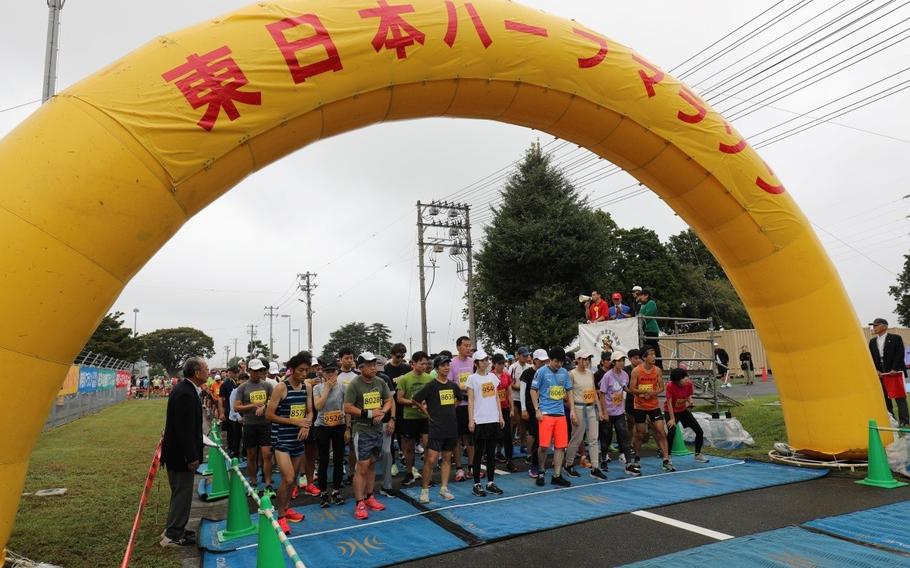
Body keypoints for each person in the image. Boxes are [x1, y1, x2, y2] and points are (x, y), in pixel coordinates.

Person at [160, 357, 206, 547]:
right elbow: (184, 429)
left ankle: (176, 528)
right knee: (182, 494)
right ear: (196, 372)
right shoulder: (185, 393)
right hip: (181, 456)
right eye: (206, 369)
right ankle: (172, 535)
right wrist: (192, 456)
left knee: (181, 493)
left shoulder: (187, 389)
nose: (208, 372)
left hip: (178, 454)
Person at [265, 352, 312, 534]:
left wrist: (306, 424)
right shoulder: (281, 388)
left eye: (307, 370)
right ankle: (280, 515)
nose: (304, 374)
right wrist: (295, 422)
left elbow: (310, 411)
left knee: (294, 482)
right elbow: (270, 415)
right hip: (282, 439)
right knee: (289, 477)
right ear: (292, 369)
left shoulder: (307, 387)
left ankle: (286, 508)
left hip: (298, 439)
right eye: (301, 370)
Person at [343, 352, 393, 520]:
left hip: (377, 431)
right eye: (369, 365)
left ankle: (370, 497)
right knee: (362, 466)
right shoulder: (354, 384)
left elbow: (388, 400)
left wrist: (383, 412)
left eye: (374, 364)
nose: (373, 368)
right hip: (362, 430)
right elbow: (348, 407)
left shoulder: (380, 382)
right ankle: (359, 502)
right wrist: (370, 414)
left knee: (372, 464)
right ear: (361, 367)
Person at [413, 355, 459, 503]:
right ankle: (424, 491)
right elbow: (416, 399)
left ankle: (444, 488)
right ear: (437, 368)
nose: (446, 367)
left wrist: (452, 407)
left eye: (448, 365)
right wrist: (427, 413)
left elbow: (460, 398)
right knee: (431, 459)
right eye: (443, 365)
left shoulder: (452, 385)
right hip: (436, 428)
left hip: (451, 427)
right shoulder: (431, 385)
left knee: (446, 458)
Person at [531, 346, 577, 487]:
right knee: (544, 446)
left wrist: (573, 410)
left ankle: (557, 475)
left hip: (560, 414)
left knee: (560, 446)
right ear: (550, 360)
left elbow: (569, 392)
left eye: (561, 362)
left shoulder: (564, 373)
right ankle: (541, 470)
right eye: (556, 361)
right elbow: (533, 390)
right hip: (545, 414)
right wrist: (537, 409)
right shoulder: (541, 372)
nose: (559, 364)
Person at [466, 350, 505, 496]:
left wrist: (500, 416)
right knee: (478, 453)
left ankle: (490, 482)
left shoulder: (493, 377)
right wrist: (471, 419)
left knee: (491, 452)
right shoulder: (472, 378)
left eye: (486, 359)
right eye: (482, 360)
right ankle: (476, 484)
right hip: (479, 420)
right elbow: (470, 400)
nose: (485, 362)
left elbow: (496, 398)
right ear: (476, 363)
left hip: (492, 419)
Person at [630, 347, 674, 472]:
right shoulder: (636, 371)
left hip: (653, 405)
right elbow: (632, 388)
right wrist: (643, 392)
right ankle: (637, 458)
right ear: (644, 357)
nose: (654, 357)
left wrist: (653, 393)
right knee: (640, 433)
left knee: (661, 431)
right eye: (651, 355)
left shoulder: (657, 370)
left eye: (654, 354)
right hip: (639, 406)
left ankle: (666, 460)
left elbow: (661, 388)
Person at [564, 351, 606, 480]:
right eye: (584, 359)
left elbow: (593, 392)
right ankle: (569, 464)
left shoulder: (590, 373)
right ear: (577, 360)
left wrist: (600, 410)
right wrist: (572, 411)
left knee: (594, 439)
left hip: (590, 407)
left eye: (588, 359)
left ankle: (595, 467)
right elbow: (567, 395)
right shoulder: (571, 374)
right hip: (578, 407)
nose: (586, 361)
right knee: (576, 438)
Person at [233, 358, 274, 490]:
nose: (259, 373)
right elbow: (236, 407)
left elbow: (275, 402)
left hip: (265, 424)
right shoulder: (242, 387)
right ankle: (253, 480)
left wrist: (265, 406)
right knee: (251, 454)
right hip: (250, 424)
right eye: (256, 370)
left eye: (261, 370)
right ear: (249, 371)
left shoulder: (267, 385)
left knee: (267, 454)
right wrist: (252, 405)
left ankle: (268, 482)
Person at [396, 351, 433, 486]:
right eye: (421, 363)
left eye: (426, 364)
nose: (424, 366)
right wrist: (414, 402)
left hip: (425, 417)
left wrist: (426, 404)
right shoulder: (405, 379)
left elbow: (432, 397)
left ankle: (427, 474)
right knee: (409, 447)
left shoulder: (429, 378)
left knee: (428, 445)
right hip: (409, 417)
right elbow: (399, 399)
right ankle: (409, 472)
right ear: (413, 364)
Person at [598, 352, 638, 475]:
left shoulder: (625, 374)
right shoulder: (607, 376)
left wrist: (636, 393)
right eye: (619, 360)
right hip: (609, 413)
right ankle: (603, 458)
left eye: (623, 360)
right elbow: (602, 394)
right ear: (614, 362)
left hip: (619, 412)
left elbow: (624, 388)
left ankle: (629, 464)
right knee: (606, 438)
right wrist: (604, 412)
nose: (622, 363)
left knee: (624, 437)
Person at [313, 361, 347, 507]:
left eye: (333, 371)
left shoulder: (343, 387)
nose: (331, 374)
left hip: (339, 425)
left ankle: (336, 491)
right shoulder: (317, 388)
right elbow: (318, 406)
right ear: (323, 373)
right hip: (322, 426)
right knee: (324, 460)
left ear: (337, 372)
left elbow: (347, 407)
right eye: (327, 372)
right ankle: (323, 492)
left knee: (339, 459)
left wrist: (348, 428)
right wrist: (326, 388)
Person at [869, 318, 909, 426]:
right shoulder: (872, 342)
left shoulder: (896, 338)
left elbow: (900, 354)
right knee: (885, 399)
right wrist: (876, 370)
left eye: (876, 325)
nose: (874, 327)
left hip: (894, 374)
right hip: (881, 375)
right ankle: (892, 421)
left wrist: (895, 369)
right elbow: (871, 358)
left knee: (900, 398)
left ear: (884, 326)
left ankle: (904, 422)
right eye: (873, 325)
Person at [665, 367, 709, 462]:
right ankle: (667, 456)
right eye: (684, 378)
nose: (687, 379)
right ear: (677, 381)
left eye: (686, 377)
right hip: (670, 411)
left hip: (682, 410)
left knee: (699, 431)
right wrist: (672, 419)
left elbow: (688, 395)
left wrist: (690, 401)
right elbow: (669, 403)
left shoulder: (688, 384)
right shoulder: (670, 386)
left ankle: (697, 454)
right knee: (672, 432)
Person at [450, 336, 477, 482]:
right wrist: (463, 387)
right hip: (458, 405)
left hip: (472, 406)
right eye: (466, 346)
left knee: (471, 438)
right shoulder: (452, 363)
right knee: (458, 438)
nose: (469, 348)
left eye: (470, 346)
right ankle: (459, 468)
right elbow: (449, 384)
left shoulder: (473, 362)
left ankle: (472, 467)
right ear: (458, 347)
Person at [520, 350, 548, 479]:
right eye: (541, 361)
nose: (543, 363)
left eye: (544, 361)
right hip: (532, 408)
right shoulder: (527, 373)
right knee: (536, 435)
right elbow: (522, 392)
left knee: (543, 438)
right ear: (535, 360)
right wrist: (524, 409)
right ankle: (534, 464)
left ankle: (539, 463)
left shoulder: (547, 371)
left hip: (546, 407)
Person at [492, 354, 518, 472]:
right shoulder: (489, 376)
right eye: (499, 364)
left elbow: (509, 393)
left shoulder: (506, 376)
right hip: (493, 411)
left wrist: (512, 408)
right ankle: (492, 461)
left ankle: (509, 461)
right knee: (494, 436)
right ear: (494, 364)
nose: (502, 366)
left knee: (507, 436)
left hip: (505, 408)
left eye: (503, 363)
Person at [509, 347, 531, 453]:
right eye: (524, 356)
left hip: (525, 398)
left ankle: (523, 444)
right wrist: (521, 387)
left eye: (527, 355)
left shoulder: (529, 367)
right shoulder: (513, 367)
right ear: (518, 355)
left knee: (523, 423)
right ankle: (510, 442)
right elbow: (510, 383)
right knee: (514, 421)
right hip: (514, 398)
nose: (526, 357)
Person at [218, 366, 241, 458]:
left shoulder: (239, 383)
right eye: (234, 372)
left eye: (237, 372)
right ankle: (231, 449)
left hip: (239, 411)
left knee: (238, 432)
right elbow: (220, 399)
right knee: (231, 431)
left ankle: (236, 450)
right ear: (229, 373)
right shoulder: (225, 384)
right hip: (229, 410)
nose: (236, 374)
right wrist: (221, 412)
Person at [637, 290, 662, 366]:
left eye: (641, 295)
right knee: (647, 348)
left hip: (651, 329)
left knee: (653, 347)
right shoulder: (643, 305)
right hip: (645, 330)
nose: (640, 297)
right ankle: (650, 364)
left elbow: (647, 316)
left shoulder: (651, 303)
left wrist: (640, 323)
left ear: (646, 295)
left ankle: (658, 364)